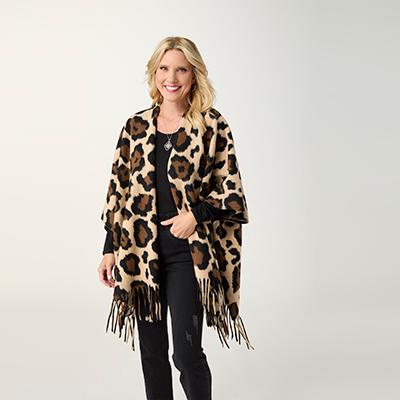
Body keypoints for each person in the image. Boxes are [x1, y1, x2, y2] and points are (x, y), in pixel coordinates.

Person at [97, 36, 251, 400]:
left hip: (188, 252)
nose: (172, 77)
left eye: (181, 69)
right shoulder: (135, 127)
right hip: (140, 252)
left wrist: (195, 216)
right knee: (151, 354)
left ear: (194, 75)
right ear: (154, 73)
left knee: (186, 353)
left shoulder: (212, 126)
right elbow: (118, 193)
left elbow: (232, 194)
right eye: (164, 68)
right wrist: (109, 249)